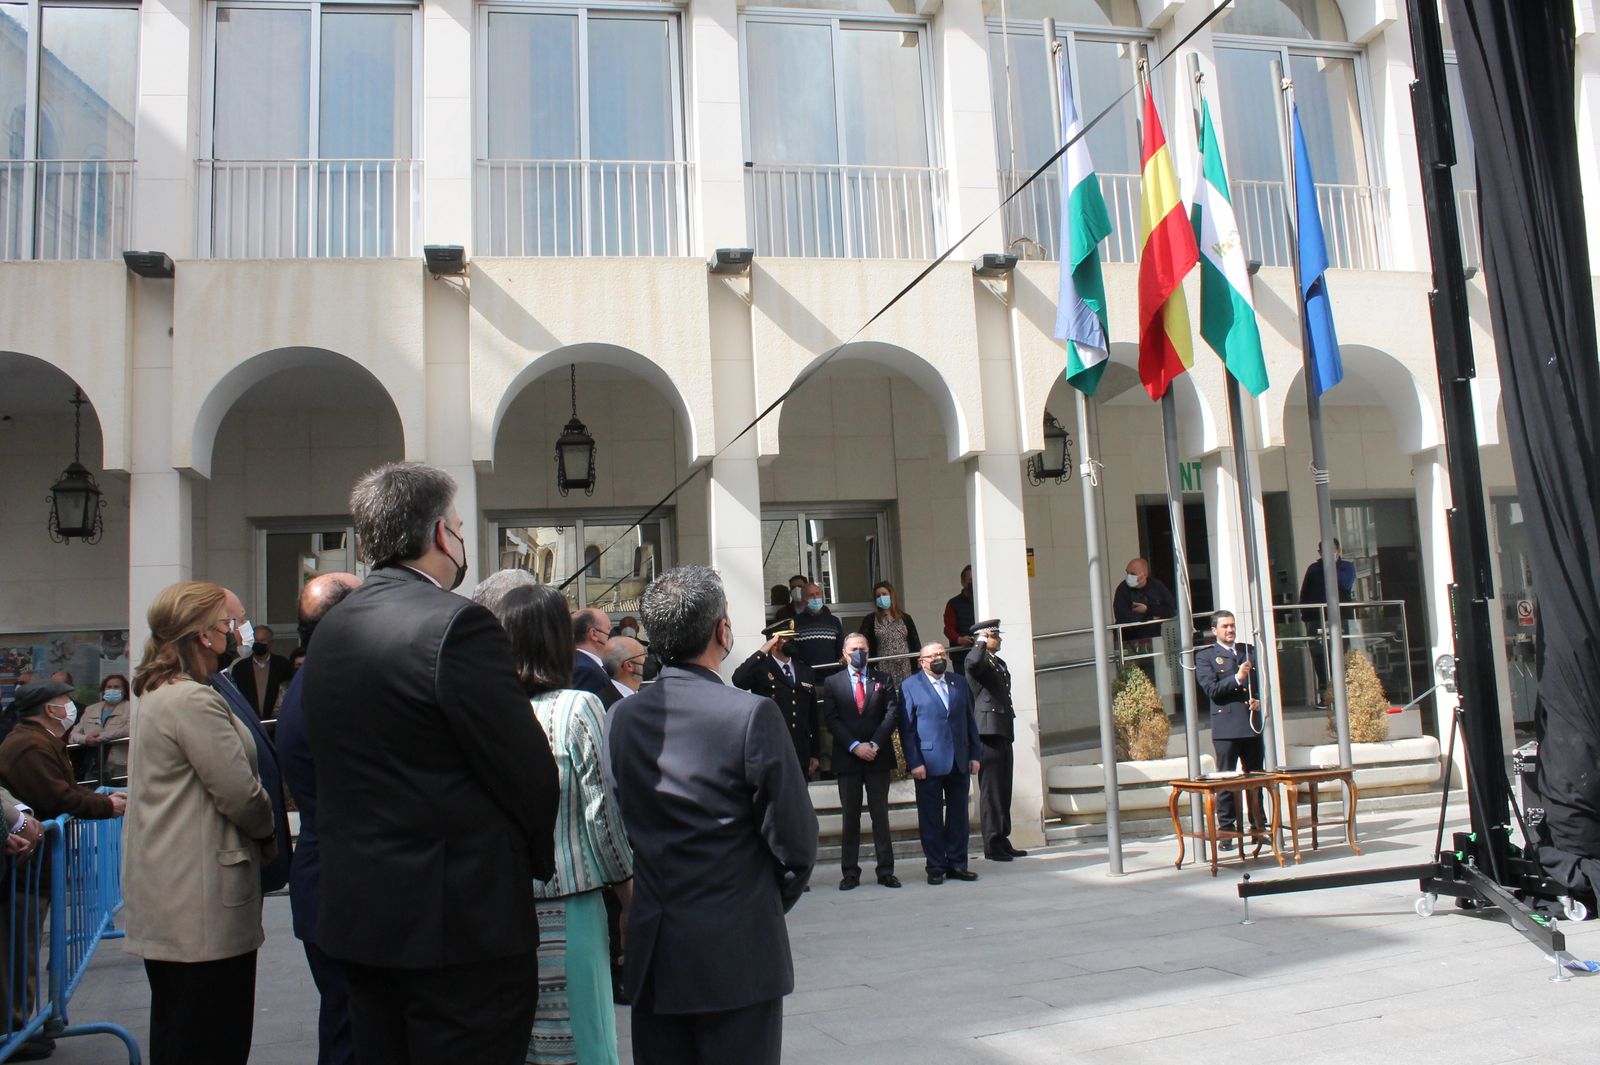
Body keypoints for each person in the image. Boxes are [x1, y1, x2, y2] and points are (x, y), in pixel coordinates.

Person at [298, 462, 560, 1065]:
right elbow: (524, 769)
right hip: (457, 923)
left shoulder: (332, 629)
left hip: (360, 913)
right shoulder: (459, 624)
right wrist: (531, 857)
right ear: (443, 535)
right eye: (462, 527)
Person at [607, 565, 817, 1065]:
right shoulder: (749, 715)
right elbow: (797, 844)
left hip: (657, 947)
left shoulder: (622, 717)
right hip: (738, 950)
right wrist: (754, 902)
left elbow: (618, 818)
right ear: (722, 631)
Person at [122, 581, 277, 1065]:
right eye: (226, 625)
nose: (234, 633)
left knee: (182, 1030)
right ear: (202, 635)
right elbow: (239, 792)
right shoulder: (190, 700)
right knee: (211, 1036)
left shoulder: (161, 694)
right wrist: (269, 829)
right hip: (201, 902)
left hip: (176, 896)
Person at [479, 582, 634, 1065]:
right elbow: (601, 815)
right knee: (583, 1041)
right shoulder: (578, 707)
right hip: (571, 901)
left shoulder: (486, 710)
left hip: (500, 907)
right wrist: (630, 897)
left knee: (528, 1041)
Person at [277, 571, 363, 1065]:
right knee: (351, 1030)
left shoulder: (320, 679)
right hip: (340, 885)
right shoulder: (329, 687)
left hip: (332, 882)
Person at [213, 590, 294, 895]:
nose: (245, 629)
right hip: (226, 866)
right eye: (240, 619)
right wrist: (265, 830)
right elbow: (232, 783)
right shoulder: (200, 692)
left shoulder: (222, 678)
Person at [820, 633, 900, 890]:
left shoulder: (883, 679)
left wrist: (873, 744)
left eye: (862, 649)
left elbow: (891, 714)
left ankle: (886, 871)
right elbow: (831, 719)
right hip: (848, 758)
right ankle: (850, 872)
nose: (859, 653)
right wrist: (855, 746)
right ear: (844, 653)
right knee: (850, 817)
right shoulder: (832, 682)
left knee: (880, 815)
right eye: (854, 649)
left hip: (878, 756)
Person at [899, 642, 981, 884]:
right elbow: (907, 729)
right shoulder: (910, 686)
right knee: (931, 817)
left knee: (958, 816)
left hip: (959, 760)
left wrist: (975, 754)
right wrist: (914, 762)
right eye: (932, 655)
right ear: (921, 661)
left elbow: (969, 721)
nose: (938, 658)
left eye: (942, 654)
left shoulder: (959, 682)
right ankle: (935, 866)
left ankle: (958, 863)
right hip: (928, 763)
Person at [1194, 610, 1267, 847]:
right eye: (1225, 626)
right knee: (1226, 779)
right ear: (1215, 630)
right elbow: (1212, 690)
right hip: (1226, 724)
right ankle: (1226, 830)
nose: (1230, 630)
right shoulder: (1206, 656)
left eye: (1232, 625)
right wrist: (1237, 677)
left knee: (1255, 777)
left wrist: (1259, 700)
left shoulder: (1248, 651)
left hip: (1250, 722)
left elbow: (1260, 683)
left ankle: (1258, 827)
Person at [966, 622, 1026, 862]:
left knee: (1003, 788)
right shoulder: (978, 660)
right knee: (990, 791)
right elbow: (972, 663)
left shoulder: (997, 663)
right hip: (987, 732)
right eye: (994, 636)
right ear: (983, 637)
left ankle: (1002, 838)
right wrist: (980, 641)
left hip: (1001, 729)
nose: (999, 640)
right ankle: (992, 843)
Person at [731, 620, 821, 779]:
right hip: (770, 749)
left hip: (800, 750)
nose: (791, 641)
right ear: (774, 642)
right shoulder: (761, 668)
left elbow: (812, 715)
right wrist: (762, 651)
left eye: (792, 637)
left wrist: (815, 753)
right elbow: (738, 680)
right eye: (786, 638)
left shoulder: (804, 670)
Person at [1299, 539, 1359, 701]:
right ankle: (1326, 694)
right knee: (1319, 657)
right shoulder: (1313, 569)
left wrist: (1330, 566)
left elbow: (1345, 584)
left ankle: (1344, 694)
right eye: (1323, 551)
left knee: (1342, 654)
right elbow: (1305, 594)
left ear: (1338, 550)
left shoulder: (1346, 567)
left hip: (1341, 619)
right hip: (1316, 619)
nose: (1327, 553)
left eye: (1331, 550)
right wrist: (1305, 615)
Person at [70, 673, 132, 785]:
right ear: (103, 689)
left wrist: (101, 737)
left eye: (117, 687)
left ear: (125, 690)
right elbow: (73, 735)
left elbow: (129, 729)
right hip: (92, 763)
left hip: (119, 764)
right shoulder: (91, 709)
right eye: (109, 687)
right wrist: (86, 739)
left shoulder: (131, 708)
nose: (112, 690)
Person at [856, 580, 921, 687]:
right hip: (883, 666)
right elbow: (861, 639)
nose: (881, 597)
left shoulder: (905, 618)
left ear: (891, 596)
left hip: (905, 666)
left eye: (884, 594)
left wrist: (919, 659)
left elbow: (915, 641)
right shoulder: (870, 619)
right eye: (878, 596)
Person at [229, 623, 293, 720]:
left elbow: (288, 694)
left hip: (277, 722)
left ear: (270, 643)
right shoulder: (240, 668)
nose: (258, 643)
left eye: (262, 640)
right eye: (256, 640)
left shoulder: (283, 665)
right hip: (250, 722)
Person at [1113, 558, 1177, 643]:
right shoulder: (1122, 589)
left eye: (1132, 574)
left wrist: (1147, 609)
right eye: (1127, 572)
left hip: (1155, 638)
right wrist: (1152, 616)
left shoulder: (1157, 586)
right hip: (1129, 640)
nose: (1128, 576)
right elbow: (1122, 616)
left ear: (1144, 575)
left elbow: (1170, 610)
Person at [571, 608, 621, 709]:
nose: (612, 634)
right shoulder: (585, 670)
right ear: (593, 634)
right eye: (609, 629)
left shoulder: (580, 663)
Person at [790, 582, 844, 670]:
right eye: (811, 595)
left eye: (817, 594)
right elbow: (792, 652)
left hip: (831, 674)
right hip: (806, 675)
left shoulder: (833, 621)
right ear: (803, 600)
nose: (815, 598)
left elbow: (841, 647)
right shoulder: (795, 623)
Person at [942, 565, 976, 675]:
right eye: (970, 580)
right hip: (961, 656)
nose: (973, 583)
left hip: (982, 654)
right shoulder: (953, 603)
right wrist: (959, 639)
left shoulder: (984, 600)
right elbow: (948, 629)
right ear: (963, 582)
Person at [603, 635, 647, 701]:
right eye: (642, 655)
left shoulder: (647, 695)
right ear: (629, 665)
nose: (645, 659)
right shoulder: (605, 704)